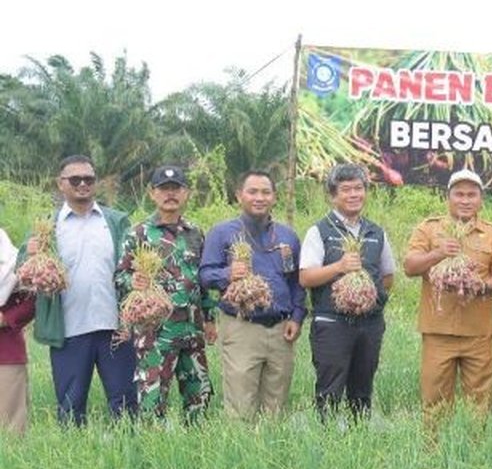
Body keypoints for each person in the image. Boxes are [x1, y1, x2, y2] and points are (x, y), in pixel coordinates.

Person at [27, 155, 134, 424]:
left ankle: (131, 458)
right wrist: (30, 255)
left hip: (115, 329)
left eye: (89, 179)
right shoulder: (47, 226)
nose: (83, 184)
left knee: (126, 405)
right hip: (70, 331)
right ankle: (75, 458)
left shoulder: (116, 221)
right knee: (70, 407)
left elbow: (135, 269)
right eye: (75, 179)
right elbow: (24, 272)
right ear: (60, 184)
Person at [199, 169, 306, 419]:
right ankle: (241, 453)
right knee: (240, 404)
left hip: (281, 330)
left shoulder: (287, 237)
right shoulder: (223, 233)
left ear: (274, 197)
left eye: (266, 192)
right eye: (253, 191)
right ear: (239, 196)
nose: (260, 197)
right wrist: (228, 274)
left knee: (276, 405)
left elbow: (297, 282)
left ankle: (271, 454)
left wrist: (297, 317)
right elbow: (204, 276)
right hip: (241, 327)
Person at [115, 166, 218, 421]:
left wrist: (210, 317)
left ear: (186, 193)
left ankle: (196, 453)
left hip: (192, 331)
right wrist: (134, 281)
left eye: (176, 189)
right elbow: (119, 277)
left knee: (199, 400)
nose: (170, 194)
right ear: (152, 193)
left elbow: (202, 279)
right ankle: (151, 456)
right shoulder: (138, 234)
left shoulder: (196, 233)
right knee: (152, 402)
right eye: (163, 189)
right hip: (155, 333)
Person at [404, 169, 492, 415]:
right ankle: (434, 452)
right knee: (434, 402)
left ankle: (476, 452)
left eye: (471, 195)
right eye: (459, 194)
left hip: (478, 333)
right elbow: (409, 266)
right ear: (447, 197)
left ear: (481, 199)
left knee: (481, 403)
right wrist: (438, 254)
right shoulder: (428, 230)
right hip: (438, 332)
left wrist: (482, 287)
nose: (465, 200)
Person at [299, 164, 396, 420]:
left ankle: (359, 446)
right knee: (329, 392)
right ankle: (329, 447)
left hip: (370, 325)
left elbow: (387, 277)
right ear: (333, 195)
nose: (354, 194)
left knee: (362, 392)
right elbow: (306, 277)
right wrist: (339, 267)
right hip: (332, 324)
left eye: (359, 188)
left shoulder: (376, 232)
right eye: (346, 190)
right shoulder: (319, 231)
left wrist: (365, 299)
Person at [0, 227, 36, 434]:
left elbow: (32, 299)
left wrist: (6, 318)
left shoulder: (11, 259)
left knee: (10, 430)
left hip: (5, 353)